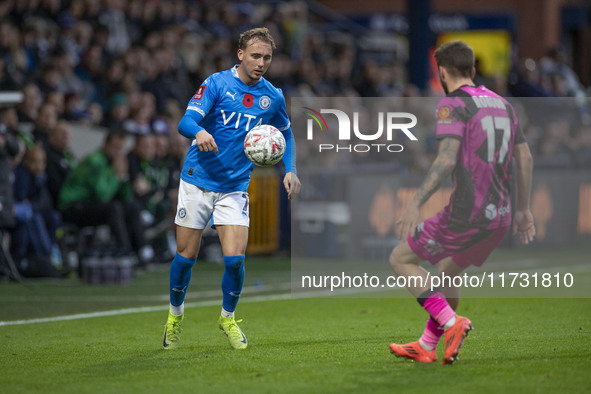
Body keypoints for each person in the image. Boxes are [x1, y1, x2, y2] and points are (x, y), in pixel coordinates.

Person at [388, 41, 535, 364]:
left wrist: (415, 203)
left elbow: (445, 160)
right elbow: (524, 156)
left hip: (468, 212)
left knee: (400, 258)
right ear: (473, 70)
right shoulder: (503, 105)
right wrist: (523, 209)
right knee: (446, 274)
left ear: (442, 72)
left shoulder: (452, 104)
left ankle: (452, 323)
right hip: (501, 216)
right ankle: (427, 345)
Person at [163, 27, 301, 350]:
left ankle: (227, 318)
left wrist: (290, 169)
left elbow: (288, 134)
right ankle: (174, 316)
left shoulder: (272, 96)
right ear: (240, 54)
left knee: (235, 260)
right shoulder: (216, 84)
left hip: (235, 186)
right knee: (186, 256)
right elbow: (185, 121)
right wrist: (197, 132)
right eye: (255, 56)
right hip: (198, 178)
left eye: (267, 57)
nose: (261, 63)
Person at [59, 130, 154, 265]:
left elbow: (125, 196)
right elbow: (102, 196)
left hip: (90, 204)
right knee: (113, 208)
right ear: (105, 145)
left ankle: (142, 249)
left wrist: (124, 177)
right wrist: (117, 175)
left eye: (120, 148)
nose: (118, 152)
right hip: (72, 206)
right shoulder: (95, 161)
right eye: (115, 147)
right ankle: (124, 251)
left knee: (131, 206)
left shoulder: (112, 162)